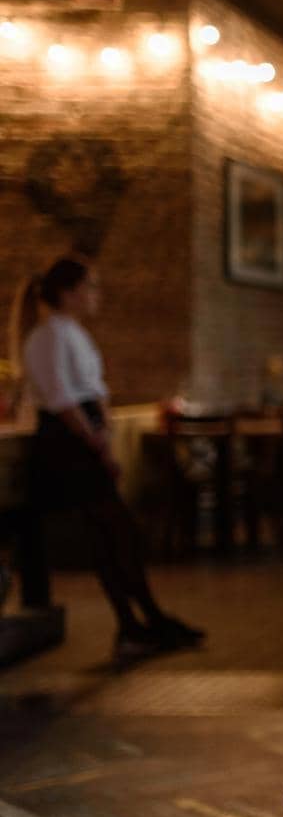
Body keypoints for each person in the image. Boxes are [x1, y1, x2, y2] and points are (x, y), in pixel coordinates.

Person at [12, 256, 205, 660]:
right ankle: (140, 622)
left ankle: (140, 622)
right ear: (69, 292)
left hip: (84, 440)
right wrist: (97, 442)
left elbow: (94, 390)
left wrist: (103, 434)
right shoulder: (49, 336)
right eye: (91, 286)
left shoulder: (71, 333)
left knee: (113, 537)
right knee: (113, 533)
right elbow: (64, 400)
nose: (97, 295)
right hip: (68, 446)